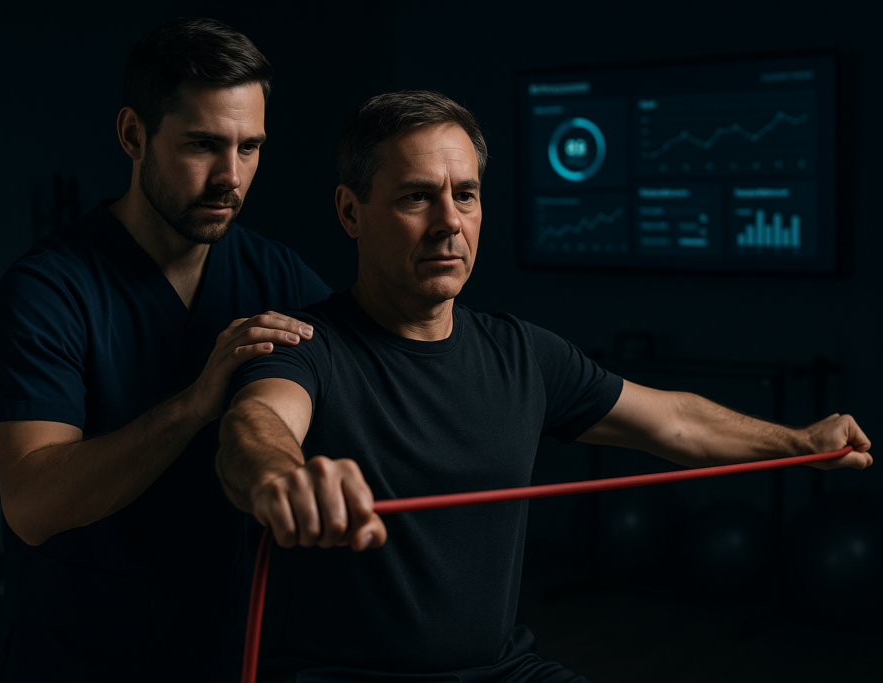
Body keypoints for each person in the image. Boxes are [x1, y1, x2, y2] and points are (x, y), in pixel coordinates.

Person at [215, 90, 872, 682]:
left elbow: (675, 421)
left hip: (503, 671)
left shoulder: (523, 352)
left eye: (465, 194)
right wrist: (282, 479)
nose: (449, 221)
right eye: (417, 196)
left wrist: (798, 439)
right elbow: (256, 427)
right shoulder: (305, 343)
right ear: (351, 211)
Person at [0, 17, 332, 682]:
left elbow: (365, 377)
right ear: (134, 135)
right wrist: (195, 404)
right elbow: (31, 504)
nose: (231, 177)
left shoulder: (277, 276)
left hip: (224, 646)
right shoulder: (48, 288)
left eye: (250, 147)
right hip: (80, 653)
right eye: (203, 145)